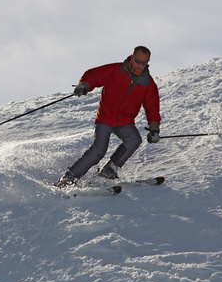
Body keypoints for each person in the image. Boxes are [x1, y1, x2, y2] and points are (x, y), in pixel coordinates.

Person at [55, 46, 161, 188]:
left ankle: (109, 169)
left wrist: (154, 129)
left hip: (125, 121)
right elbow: (94, 75)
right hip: (105, 118)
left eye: (144, 63)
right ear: (131, 57)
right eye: (137, 61)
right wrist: (84, 84)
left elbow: (152, 107)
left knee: (134, 139)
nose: (140, 66)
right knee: (99, 150)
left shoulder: (147, 83)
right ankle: (70, 177)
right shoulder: (116, 70)